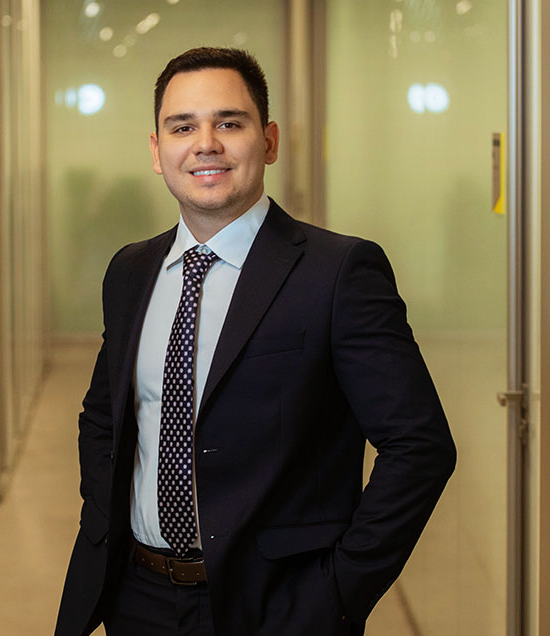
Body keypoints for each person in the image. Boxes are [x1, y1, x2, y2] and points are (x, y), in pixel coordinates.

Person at [55, 47, 456, 636]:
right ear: (156, 149)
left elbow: (419, 447)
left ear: (268, 141)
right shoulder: (131, 271)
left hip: (275, 607)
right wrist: (104, 524)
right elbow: (105, 416)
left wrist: (337, 594)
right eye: (183, 126)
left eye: (230, 122)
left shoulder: (338, 272)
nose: (206, 143)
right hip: (137, 596)